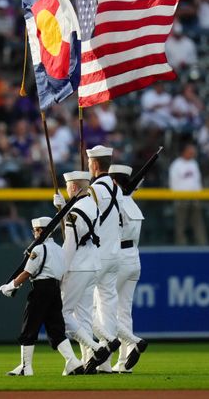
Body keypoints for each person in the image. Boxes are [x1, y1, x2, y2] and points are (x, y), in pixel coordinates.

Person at [0, 216, 85, 377]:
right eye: (35, 230)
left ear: (45, 231)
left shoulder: (38, 249)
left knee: (29, 327)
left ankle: (26, 367)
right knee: (56, 329)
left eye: (38, 230)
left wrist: (11, 285)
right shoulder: (60, 250)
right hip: (55, 290)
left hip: (40, 290)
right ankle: (73, 361)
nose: (35, 233)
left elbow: (27, 272)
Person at [53, 171, 110, 374]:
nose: (67, 189)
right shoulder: (91, 205)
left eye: (68, 187)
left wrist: (60, 271)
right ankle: (89, 362)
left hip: (77, 266)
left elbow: (70, 245)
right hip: (93, 265)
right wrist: (62, 208)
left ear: (74, 187)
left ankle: (96, 349)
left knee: (63, 314)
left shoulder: (75, 212)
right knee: (84, 316)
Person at [84, 145, 123, 372]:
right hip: (114, 255)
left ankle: (93, 354)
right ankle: (105, 364)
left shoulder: (94, 190)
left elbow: (84, 221)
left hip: (95, 257)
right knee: (107, 309)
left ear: (95, 164)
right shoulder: (117, 188)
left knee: (82, 307)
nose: (88, 166)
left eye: (89, 163)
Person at [108, 164, 149, 372]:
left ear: (114, 181)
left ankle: (109, 358)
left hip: (118, 257)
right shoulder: (132, 203)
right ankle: (123, 363)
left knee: (102, 309)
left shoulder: (114, 203)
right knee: (124, 311)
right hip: (134, 257)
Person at [169, 143, 206, 245]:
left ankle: (202, 244)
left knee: (198, 223)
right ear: (184, 152)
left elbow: (198, 181)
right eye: (190, 151)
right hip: (181, 198)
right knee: (181, 223)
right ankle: (181, 245)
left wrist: (199, 195)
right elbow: (173, 183)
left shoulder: (194, 163)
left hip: (194, 197)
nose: (192, 153)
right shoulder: (176, 164)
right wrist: (176, 197)